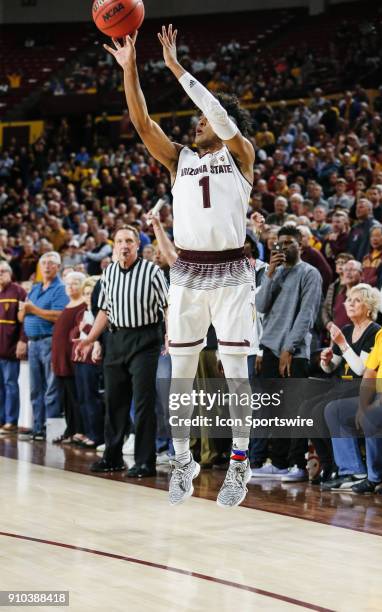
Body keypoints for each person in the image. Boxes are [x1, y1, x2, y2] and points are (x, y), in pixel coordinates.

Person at [104, 25, 255, 507]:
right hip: (188, 271)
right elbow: (143, 122)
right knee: (182, 371)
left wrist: (176, 68)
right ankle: (184, 458)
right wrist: (131, 71)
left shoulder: (240, 156)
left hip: (232, 271)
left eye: (204, 120)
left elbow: (216, 112)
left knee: (234, 369)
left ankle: (239, 462)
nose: (197, 123)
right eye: (196, 120)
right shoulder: (179, 161)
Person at [75, 226, 168, 478]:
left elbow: (167, 305)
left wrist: (170, 335)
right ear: (114, 245)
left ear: (137, 244)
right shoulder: (109, 274)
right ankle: (113, 457)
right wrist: (91, 339)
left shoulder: (152, 271)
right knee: (114, 401)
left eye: (129, 240)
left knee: (143, 403)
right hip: (116, 339)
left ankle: (145, 462)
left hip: (145, 339)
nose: (124, 245)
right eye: (119, 241)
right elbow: (104, 310)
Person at [324, 277, 382, 494]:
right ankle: (352, 471)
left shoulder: (377, 329)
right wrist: (363, 404)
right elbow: (370, 371)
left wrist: (378, 401)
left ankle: (378, 475)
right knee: (335, 409)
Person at [251, 225, 322, 481]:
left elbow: (307, 314)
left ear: (300, 246)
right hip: (270, 348)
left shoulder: (310, 274)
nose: (283, 248)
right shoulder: (275, 273)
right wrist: (269, 273)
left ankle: (297, 465)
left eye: (289, 243)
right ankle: (279, 462)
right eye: (279, 244)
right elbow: (260, 306)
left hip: (295, 352)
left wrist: (288, 348)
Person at [18, 252, 69, 440]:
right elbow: (22, 314)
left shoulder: (60, 289)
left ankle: (51, 429)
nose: (46, 266)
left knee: (51, 388)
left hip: (49, 341)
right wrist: (26, 312)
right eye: (44, 263)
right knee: (35, 388)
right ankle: (38, 427)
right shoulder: (36, 288)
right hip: (33, 343)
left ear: (58, 267)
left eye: (51, 263)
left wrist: (32, 310)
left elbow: (59, 316)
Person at [51, 272, 87, 445]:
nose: (70, 287)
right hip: (61, 358)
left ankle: (80, 430)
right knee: (66, 398)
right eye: (68, 284)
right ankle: (70, 429)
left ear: (82, 285)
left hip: (72, 359)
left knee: (76, 397)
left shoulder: (82, 306)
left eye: (74, 283)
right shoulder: (69, 304)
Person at [70, 276, 104, 448]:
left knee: (92, 398)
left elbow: (99, 334)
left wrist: (85, 329)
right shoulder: (80, 313)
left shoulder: (99, 313)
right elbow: (73, 333)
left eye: (91, 293)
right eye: (85, 293)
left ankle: (96, 435)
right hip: (80, 359)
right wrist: (79, 331)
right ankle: (86, 431)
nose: (88, 296)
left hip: (93, 361)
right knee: (82, 397)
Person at [0, 261, 27, 434]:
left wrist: (22, 340)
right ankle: (1, 419)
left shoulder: (18, 291)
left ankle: (11, 421)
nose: (0, 274)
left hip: (9, 348)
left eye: (2, 271)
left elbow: (25, 320)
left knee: (10, 385)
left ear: (10, 273)